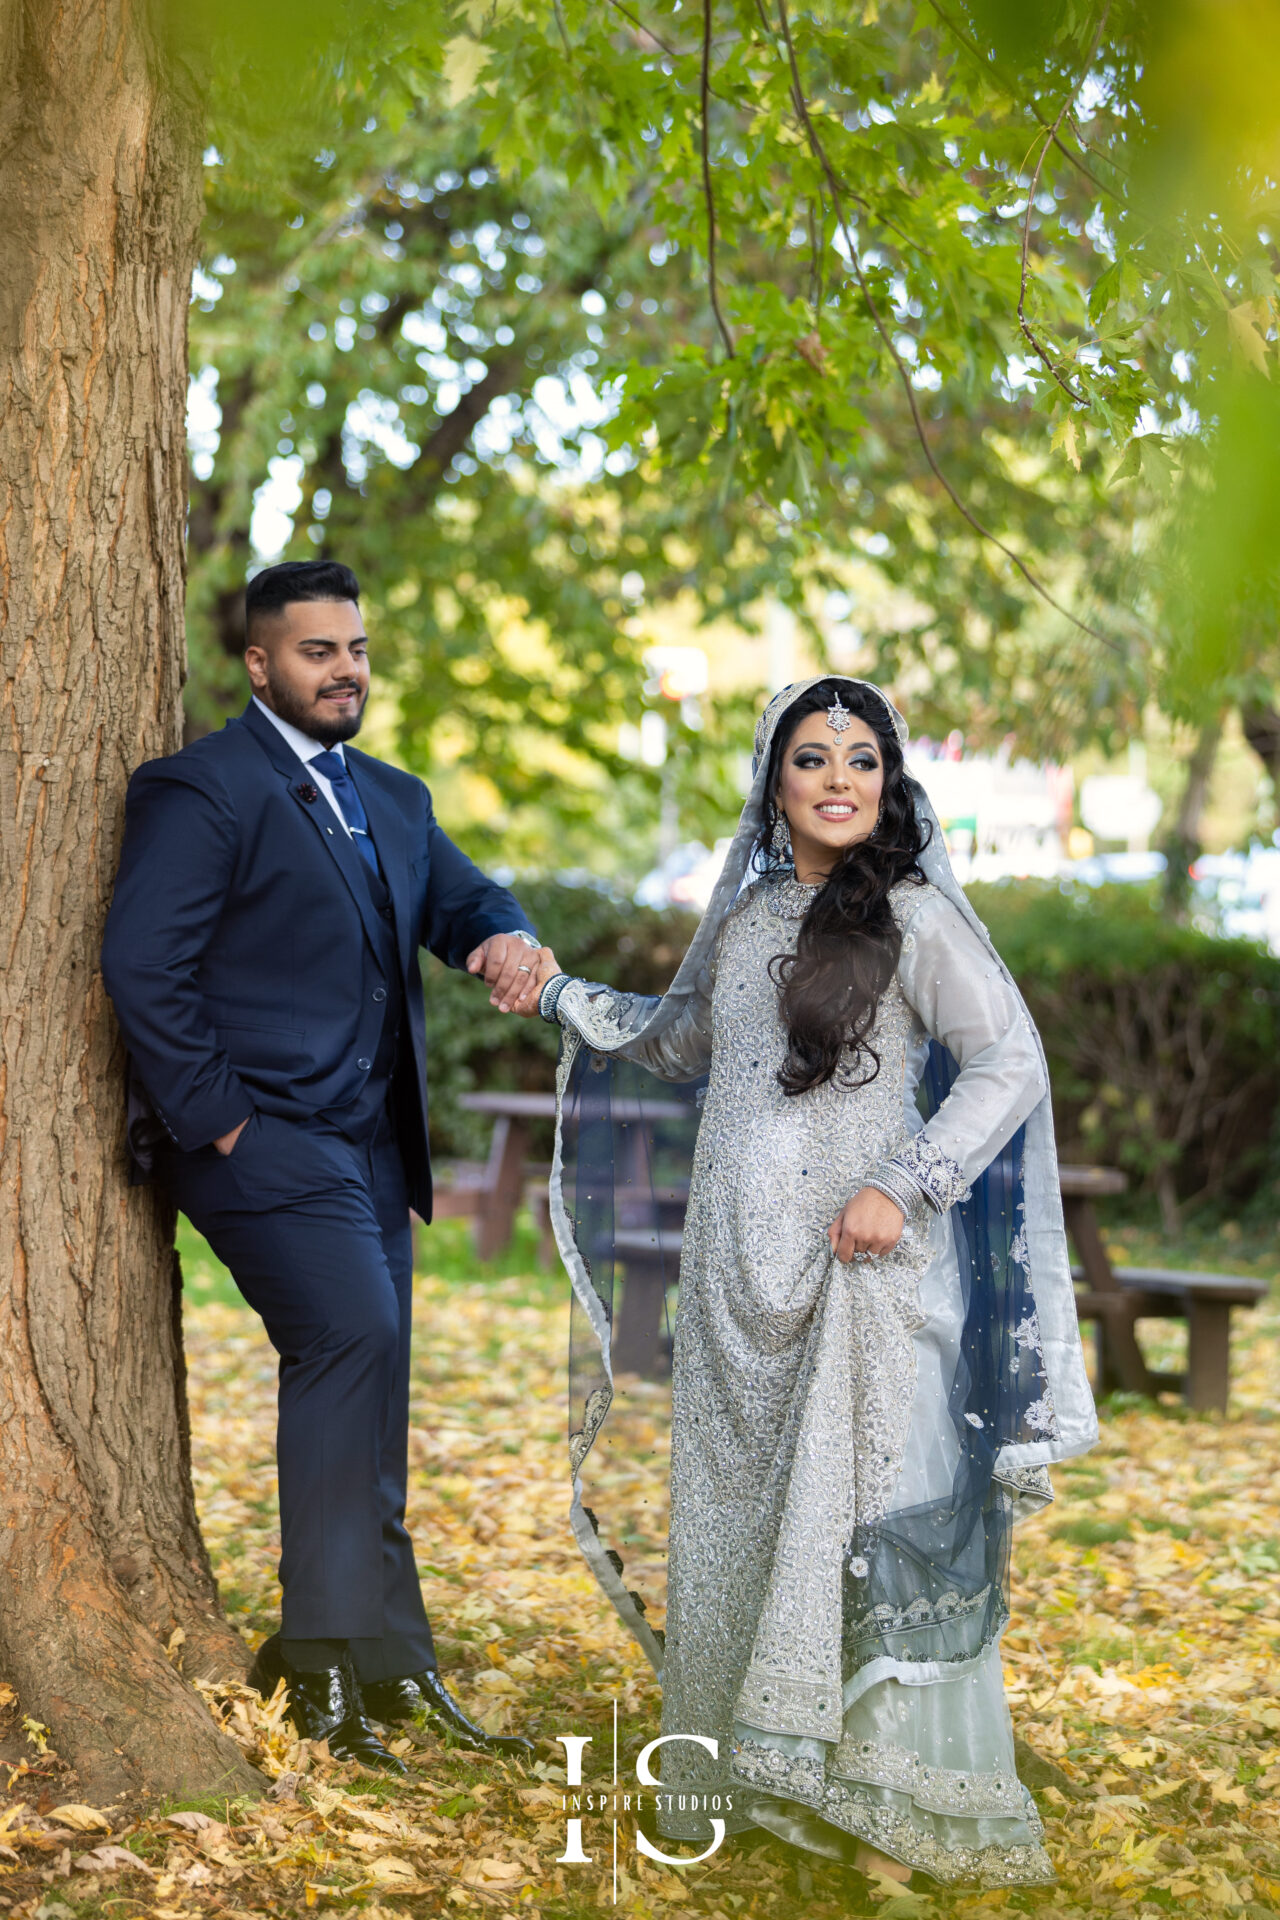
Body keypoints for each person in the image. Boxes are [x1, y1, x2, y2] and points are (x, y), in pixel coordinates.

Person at [533, 678, 1098, 1888]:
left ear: (888, 781)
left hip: (864, 1268)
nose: (839, 778)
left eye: (860, 758)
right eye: (810, 758)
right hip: (734, 1273)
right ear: (772, 782)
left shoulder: (910, 915)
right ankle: (754, 1772)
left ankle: (889, 1809)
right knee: (738, 1517)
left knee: (859, 1515)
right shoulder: (741, 920)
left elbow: (1008, 1059)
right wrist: (555, 994)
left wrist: (908, 1180)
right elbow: (682, 1039)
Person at [102, 559, 558, 1772]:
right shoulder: (201, 788)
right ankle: (316, 1664)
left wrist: (502, 936)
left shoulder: (393, 799)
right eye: (317, 652)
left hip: (368, 1150)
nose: (343, 670)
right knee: (350, 1337)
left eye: (354, 648)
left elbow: (462, 901)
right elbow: (144, 963)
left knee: (379, 1371)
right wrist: (223, 1123)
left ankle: (390, 1658)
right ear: (261, 665)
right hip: (259, 1141)